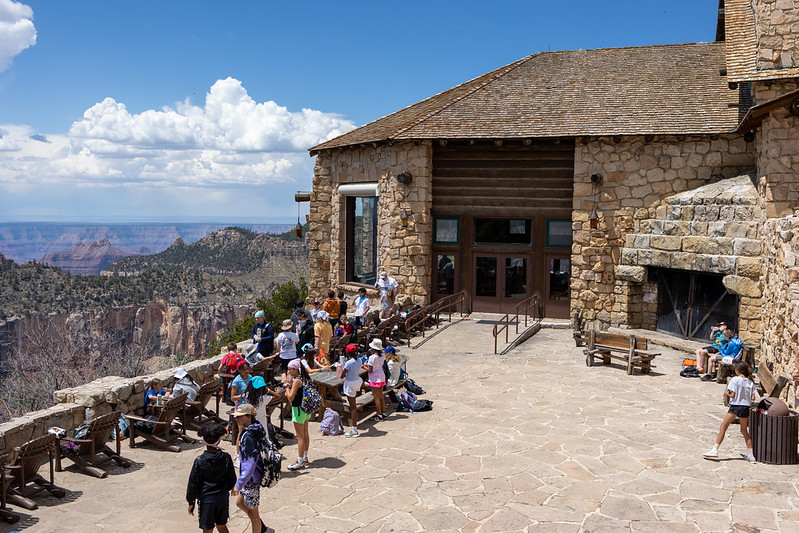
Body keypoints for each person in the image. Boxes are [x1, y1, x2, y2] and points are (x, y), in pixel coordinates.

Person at [231, 404, 275, 533]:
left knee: (253, 514)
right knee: (240, 503)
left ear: (248, 417)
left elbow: (250, 464)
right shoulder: (253, 430)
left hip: (251, 480)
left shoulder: (249, 436)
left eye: (239, 417)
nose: (236, 419)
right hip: (249, 479)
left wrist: (239, 484)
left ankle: (262, 530)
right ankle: (264, 529)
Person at [186, 423, 236, 533]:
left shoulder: (199, 461)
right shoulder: (226, 458)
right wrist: (225, 489)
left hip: (206, 500)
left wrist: (191, 502)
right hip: (222, 498)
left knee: (207, 529)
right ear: (219, 440)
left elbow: (193, 483)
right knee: (222, 525)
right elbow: (232, 478)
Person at [703, 361, 756, 462]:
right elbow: (753, 397)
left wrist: (726, 393)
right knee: (744, 431)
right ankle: (751, 454)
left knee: (723, 427)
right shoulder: (750, 382)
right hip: (745, 407)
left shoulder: (735, 380)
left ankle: (715, 449)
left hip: (735, 406)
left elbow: (733, 395)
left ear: (737, 370)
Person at [283, 359, 312, 470]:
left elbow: (290, 397)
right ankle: (305, 457)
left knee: (300, 437)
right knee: (305, 434)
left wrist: (286, 386)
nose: (289, 371)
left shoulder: (297, 381)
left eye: (291, 369)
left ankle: (299, 461)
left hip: (298, 409)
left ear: (296, 369)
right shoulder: (306, 377)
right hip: (306, 408)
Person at [341, 343, 363, 438]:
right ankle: (354, 427)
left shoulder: (349, 363)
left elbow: (342, 375)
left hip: (350, 383)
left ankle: (354, 429)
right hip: (357, 381)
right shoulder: (359, 360)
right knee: (354, 404)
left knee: (353, 407)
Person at [366, 339, 388, 421]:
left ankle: (378, 414)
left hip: (374, 378)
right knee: (381, 396)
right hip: (381, 375)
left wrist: (365, 367)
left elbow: (370, 370)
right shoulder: (382, 355)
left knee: (376, 397)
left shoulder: (372, 358)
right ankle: (384, 412)